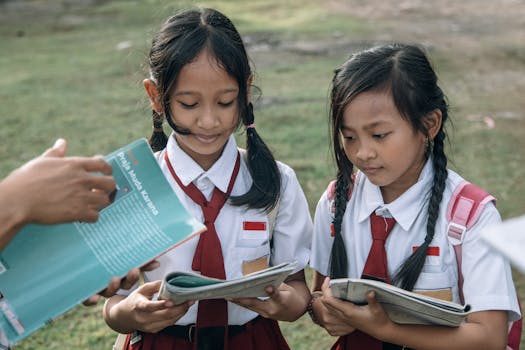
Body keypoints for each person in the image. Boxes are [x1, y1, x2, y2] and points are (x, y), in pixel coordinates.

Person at [103, 7, 313, 350]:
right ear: (157, 97)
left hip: (252, 341)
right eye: (189, 103)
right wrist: (131, 312)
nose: (209, 121)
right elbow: (114, 306)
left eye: (225, 101)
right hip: (162, 342)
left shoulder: (277, 182)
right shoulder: (136, 185)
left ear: (244, 93)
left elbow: (298, 288)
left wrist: (284, 304)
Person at [308, 43, 521, 349]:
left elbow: (489, 336)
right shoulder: (335, 203)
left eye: (379, 135)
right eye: (349, 137)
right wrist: (323, 311)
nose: (363, 152)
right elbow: (319, 291)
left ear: (429, 124)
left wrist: (387, 330)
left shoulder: (471, 217)